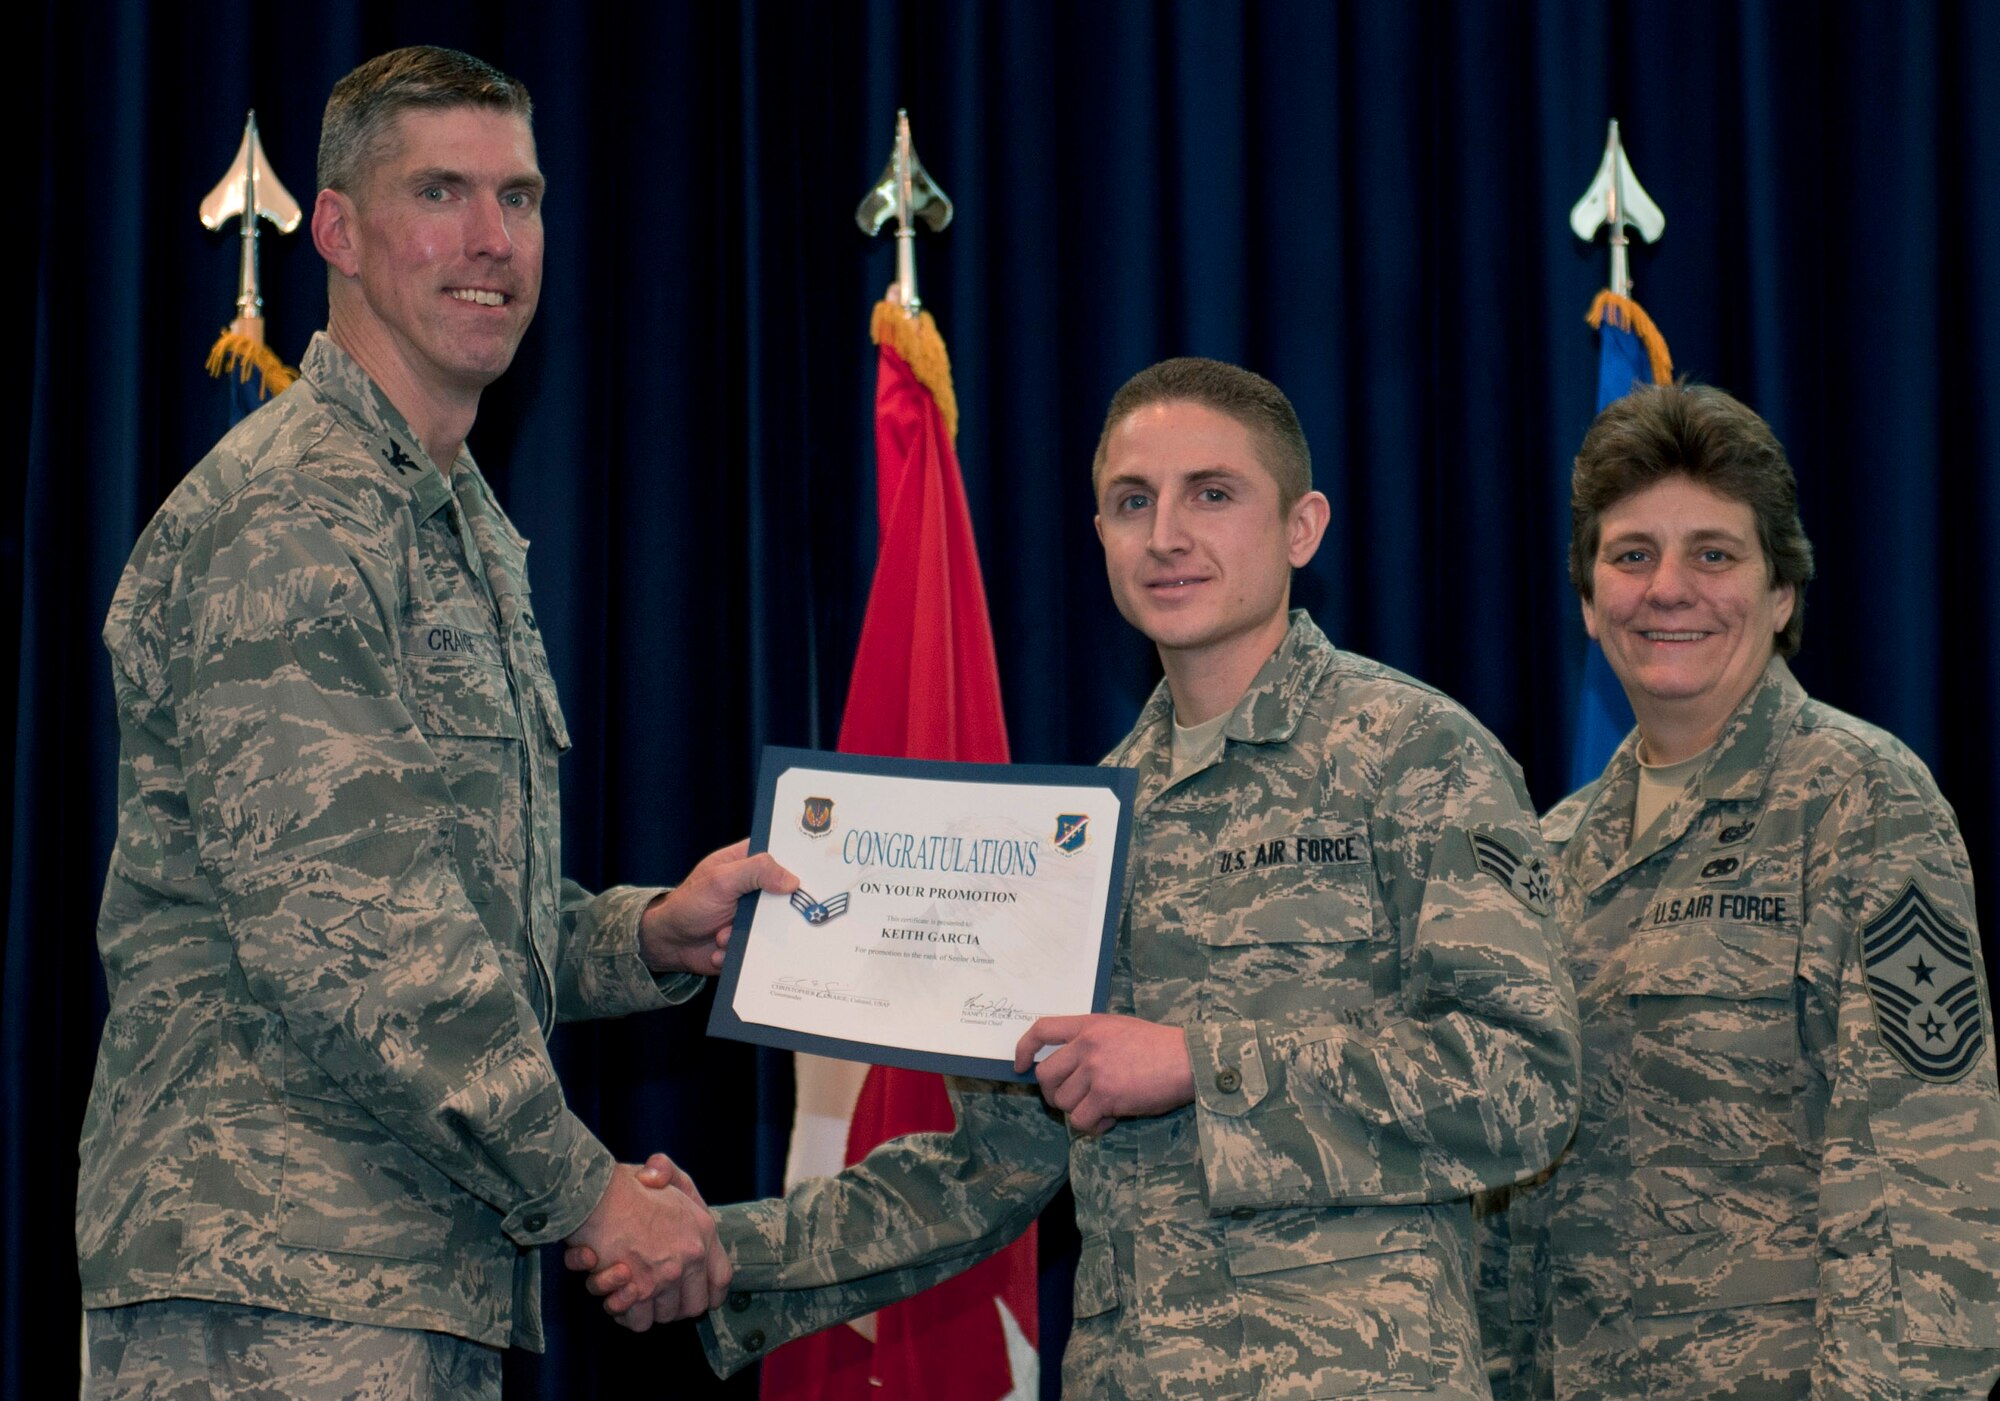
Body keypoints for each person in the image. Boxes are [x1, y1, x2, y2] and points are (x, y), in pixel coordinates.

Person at [580, 357, 1582, 1396]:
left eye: (1212, 494)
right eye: (1132, 502)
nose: (1166, 535)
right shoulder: (1076, 831)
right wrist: (720, 1248)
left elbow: (1523, 1082)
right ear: (1099, 533)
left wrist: (1197, 1063)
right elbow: (989, 1167)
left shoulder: (1415, 754)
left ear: (1302, 527)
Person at [76, 46, 792, 1398]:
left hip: (398, 1272)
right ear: (336, 230)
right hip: (271, 1281)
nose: (491, 241)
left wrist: (644, 935)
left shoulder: (449, 519)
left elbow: (446, 897)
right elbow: (356, 936)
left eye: (519, 198)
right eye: (441, 193)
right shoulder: (292, 515)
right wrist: (592, 1192)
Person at [1481, 384, 2000, 1399]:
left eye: (1713, 554)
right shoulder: (1551, 852)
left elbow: (1925, 1179)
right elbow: (1508, 1204)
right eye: (1631, 555)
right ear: (1588, 600)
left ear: (1781, 593)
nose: (1668, 589)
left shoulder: (1861, 801)